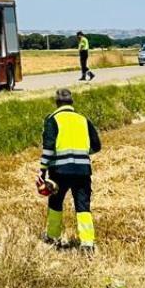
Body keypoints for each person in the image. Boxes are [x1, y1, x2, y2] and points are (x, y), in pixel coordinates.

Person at [40, 88, 101, 250]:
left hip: (59, 171)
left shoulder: (52, 119)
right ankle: (87, 242)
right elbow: (97, 146)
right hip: (83, 170)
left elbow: (48, 148)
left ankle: (52, 237)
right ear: (71, 103)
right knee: (83, 205)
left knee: (55, 202)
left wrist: (42, 170)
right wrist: (82, 153)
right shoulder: (83, 119)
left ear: (57, 102)